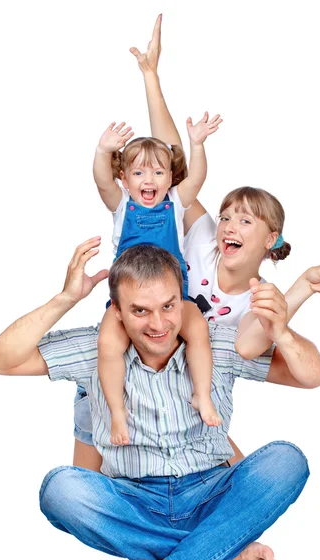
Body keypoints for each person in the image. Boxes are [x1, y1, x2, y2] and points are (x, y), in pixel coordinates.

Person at [69, 14, 320, 473]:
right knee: (91, 482)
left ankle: (231, 532)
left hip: (175, 392)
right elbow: (172, 164)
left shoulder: (252, 304)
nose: (228, 224)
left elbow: (281, 360)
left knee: (216, 454)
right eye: (227, 214)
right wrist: (152, 78)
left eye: (244, 220)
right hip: (121, 362)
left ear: (270, 238)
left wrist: (306, 286)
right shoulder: (201, 239)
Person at [0, 238, 320, 560]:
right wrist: (66, 298)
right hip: (134, 501)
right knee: (61, 490)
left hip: (213, 493)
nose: (159, 324)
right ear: (116, 310)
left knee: (286, 460)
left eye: (168, 306)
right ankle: (217, 554)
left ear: (181, 299)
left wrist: (282, 333)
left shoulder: (217, 343)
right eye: (140, 311)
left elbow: (314, 375)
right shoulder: (95, 349)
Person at [94, 111, 223, 446]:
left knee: (198, 332)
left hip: (172, 297)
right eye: (138, 172)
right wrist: (102, 151)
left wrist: (196, 144)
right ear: (124, 177)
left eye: (157, 171)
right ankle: (117, 410)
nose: (147, 179)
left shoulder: (175, 204)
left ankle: (203, 395)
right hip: (130, 299)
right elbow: (101, 181)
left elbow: (197, 179)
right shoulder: (122, 206)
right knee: (108, 345)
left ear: (169, 179)